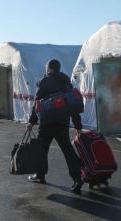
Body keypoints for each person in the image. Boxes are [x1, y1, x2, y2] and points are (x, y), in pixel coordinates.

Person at [27, 59, 84, 192]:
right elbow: (73, 105)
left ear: (49, 69)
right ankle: (77, 178)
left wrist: (31, 121)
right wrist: (78, 126)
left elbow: (37, 104)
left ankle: (40, 175)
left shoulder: (44, 81)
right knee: (67, 150)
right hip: (62, 122)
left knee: (42, 149)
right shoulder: (67, 82)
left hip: (47, 122)